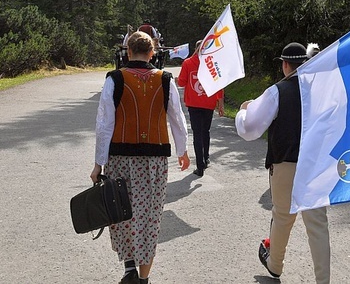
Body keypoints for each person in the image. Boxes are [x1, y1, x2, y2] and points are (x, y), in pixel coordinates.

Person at [91, 31, 190, 284]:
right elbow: (177, 119)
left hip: (120, 158)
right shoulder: (165, 80)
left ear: (128, 52)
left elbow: (105, 123)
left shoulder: (115, 79)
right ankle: (142, 278)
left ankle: (128, 269)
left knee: (122, 213)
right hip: (154, 160)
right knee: (149, 218)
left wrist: (98, 163)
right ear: (153, 52)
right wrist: (183, 151)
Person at [235, 42, 330, 284]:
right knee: (317, 224)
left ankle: (275, 265)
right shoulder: (321, 90)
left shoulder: (278, 91)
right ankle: (323, 279)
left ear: (285, 65)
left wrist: (243, 111)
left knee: (282, 216)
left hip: (286, 162)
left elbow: (250, 129)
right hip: (316, 165)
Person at [176, 40, 225, 177]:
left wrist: (177, 80)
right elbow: (219, 84)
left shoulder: (188, 63)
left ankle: (200, 165)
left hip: (193, 103)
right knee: (206, 131)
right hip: (208, 102)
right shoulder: (212, 64)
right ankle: (206, 157)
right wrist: (220, 103)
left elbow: (181, 82)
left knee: (197, 133)